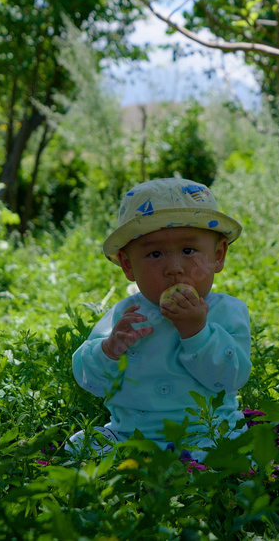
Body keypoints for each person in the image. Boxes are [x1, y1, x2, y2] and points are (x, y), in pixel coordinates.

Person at [68, 178, 251, 460]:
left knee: (226, 454)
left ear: (217, 255)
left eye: (188, 251)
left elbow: (231, 378)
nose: (174, 269)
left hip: (207, 432)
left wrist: (197, 333)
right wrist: (109, 350)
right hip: (133, 434)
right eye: (154, 254)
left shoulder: (227, 312)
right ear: (128, 265)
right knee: (81, 446)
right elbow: (89, 380)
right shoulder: (125, 316)